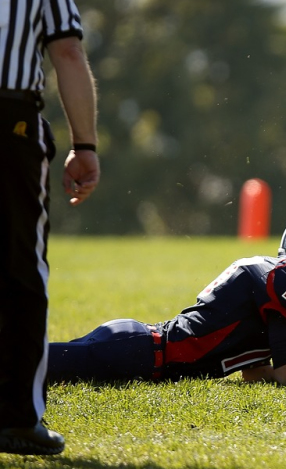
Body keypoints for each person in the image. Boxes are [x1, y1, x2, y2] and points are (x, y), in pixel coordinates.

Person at [46, 211, 286, 386]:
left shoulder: (277, 273)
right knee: (29, 365)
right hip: (140, 353)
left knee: (36, 365)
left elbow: (258, 373)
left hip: (138, 345)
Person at [1, 0, 101, 456]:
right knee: (21, 271)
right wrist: (85, 145)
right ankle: (18, 419)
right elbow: (67, 52)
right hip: (10, 125)